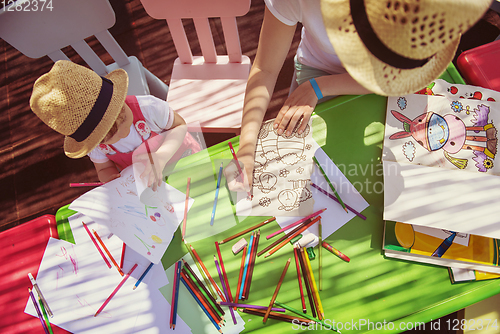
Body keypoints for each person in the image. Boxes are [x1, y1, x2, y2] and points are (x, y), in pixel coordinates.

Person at [228, 0, 492, 192]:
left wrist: (322, 87)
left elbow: (397, 78)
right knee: (326, 167)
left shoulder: (425, 16)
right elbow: (265, 69)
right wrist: (247, 145)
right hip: (319, 70)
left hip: (390, 81)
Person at [30, 60, 200, 188]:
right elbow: (104, 170)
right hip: (151, 184)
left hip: (184, 160)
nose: (124, 132)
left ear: (119, 100)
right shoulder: (96, 145)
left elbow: (179, 126)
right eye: (110, 136)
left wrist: (162, 155)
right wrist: (114, 181)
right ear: (95, 142)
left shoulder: (148, 108)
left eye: (124, 119)